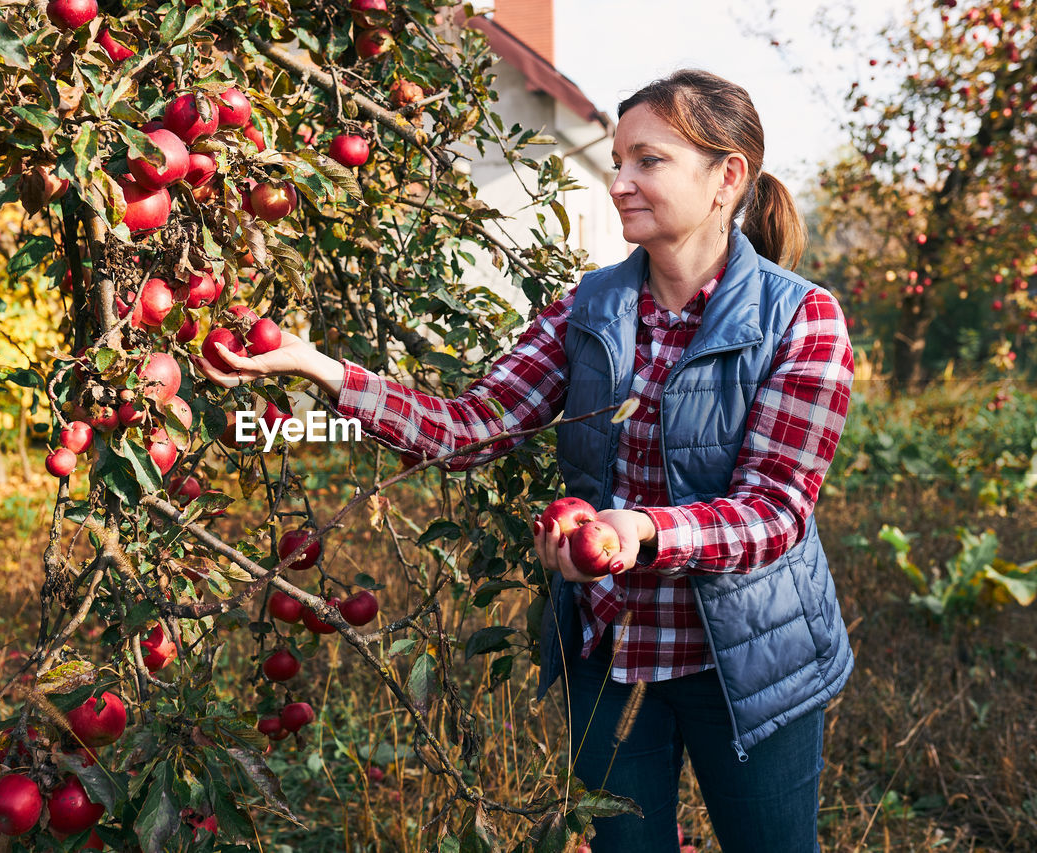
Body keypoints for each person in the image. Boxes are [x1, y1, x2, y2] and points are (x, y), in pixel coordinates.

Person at [197, 68, 854, 853]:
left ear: (727, 177)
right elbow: (475, 427)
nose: (619, 183)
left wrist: (639, 531)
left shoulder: (801, 318)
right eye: (617, 161)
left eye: (648, 161)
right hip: (614, 653)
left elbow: (776, 510)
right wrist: (325, 371)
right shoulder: (591, 309)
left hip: (751, 658)